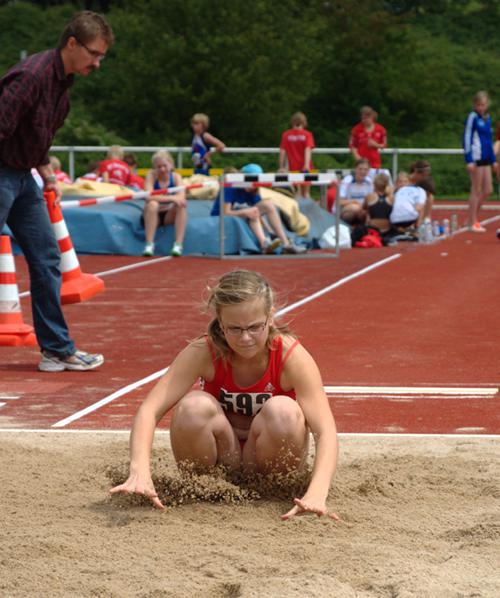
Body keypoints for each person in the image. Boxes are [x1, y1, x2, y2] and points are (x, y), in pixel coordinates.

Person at [110, 269, 339, 520]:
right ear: (220, 323)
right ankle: (204, 490)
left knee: (283, 409)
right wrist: (139, 470)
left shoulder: (290, 356)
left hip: (269, 466)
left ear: (270, 318)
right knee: (193, 407)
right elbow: (149, 410)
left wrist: (317, 492)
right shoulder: (202, 351)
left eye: (254, 327)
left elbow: (325, 429)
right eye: (234, 329)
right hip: (220, 461)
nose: (245, 338)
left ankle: (272, 492)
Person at [0, 10, 112, 372]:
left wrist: (46, 174)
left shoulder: (62, 84)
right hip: (2, 173)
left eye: (101, 57)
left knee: (47, 257)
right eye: (94, 54)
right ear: (72, 43)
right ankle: (57, 347)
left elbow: (33, 135)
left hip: (22, 177)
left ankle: (56, 349)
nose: (97, 64)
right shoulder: (30, 77)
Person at [211, 164, 307, 254]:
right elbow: (225, 212)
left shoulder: (254, 190)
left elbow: (258, 213)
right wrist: (245, 211)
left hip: (242, 215)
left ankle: (285, 243)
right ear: (243, 178)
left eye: (256, 182)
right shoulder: (230, 187)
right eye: (251, 181)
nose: (253, 185)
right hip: (221, 216)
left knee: (267, 204)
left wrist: (269, 231)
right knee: (251, 211)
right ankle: (264, 243)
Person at [463, 91, 498, 232]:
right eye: (478, 105)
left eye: (483, 105)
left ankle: (472, 218)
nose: (481, 107)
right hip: (476, 157)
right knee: (476, 189)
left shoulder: (487, 118)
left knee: (488, 189)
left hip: (486, 157)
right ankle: (471, 222)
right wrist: (469, 159)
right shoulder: (472, 117)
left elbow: (489, 141)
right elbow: (466, 137)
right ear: (474, 105)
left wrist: (494, 160)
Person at [142, 150, 187, 257]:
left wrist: (173, 199)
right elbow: (148, 196)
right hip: (152, 215)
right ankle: (149, 244)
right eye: (158, 167)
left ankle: (178, 244)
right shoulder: (151, 175)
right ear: (154, 167)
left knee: (181, 205)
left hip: (168, 215)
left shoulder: (176, 177)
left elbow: (181, 197)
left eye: (164, 166)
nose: (162, 169)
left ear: (171, 165)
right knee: (153, 204)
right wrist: (171, 197)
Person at [279, 111, 315, 199]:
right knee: (306, 193)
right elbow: (307, 149)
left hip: (293, 168)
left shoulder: (286, 135)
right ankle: (307, 212)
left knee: (296, 193)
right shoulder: (307, 135)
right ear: (304, 122)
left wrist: (281, 166)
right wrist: (306, 164)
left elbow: (282, 152)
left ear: (292, 122)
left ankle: (296, 211)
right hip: (305, 167)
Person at [349, 106, 387, 170]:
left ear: (371, 117)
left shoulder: (381, 129)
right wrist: (358, 158)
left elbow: (384, 145)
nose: (364, 120)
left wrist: (376, 145)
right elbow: (352, 145)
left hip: (375, 163)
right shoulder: (356, 129)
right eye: (362, 118)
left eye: (366, 118)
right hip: (361, 164)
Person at [338, 159, 373, 225]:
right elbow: (339, 202)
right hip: (346, 211)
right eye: (360, 169)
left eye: (365, 169)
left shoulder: (369, 182)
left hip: (363, 210)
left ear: (368, 171)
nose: (363, 171)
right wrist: (354, 202)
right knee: (355, 208)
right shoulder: (347, 181)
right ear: (355, 169)